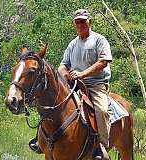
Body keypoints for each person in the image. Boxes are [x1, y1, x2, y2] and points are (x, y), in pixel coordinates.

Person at [58, 9, 112, 159]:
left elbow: (103, 62)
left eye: (83, 21)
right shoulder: (72, 44)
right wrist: (64, 74)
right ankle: (43, 139)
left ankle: (100, 146)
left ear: (90, 22)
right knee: (54, 103)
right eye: (77, 22)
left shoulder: (99, 40)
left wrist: (82, 74)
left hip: (96, 84)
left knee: (101, 109)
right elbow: (63, 65)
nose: (80, 24)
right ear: (74, 24)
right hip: (74, 85)